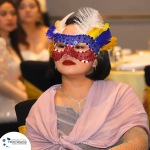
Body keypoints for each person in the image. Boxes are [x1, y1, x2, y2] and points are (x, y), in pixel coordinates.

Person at [26, 8, 149, 149]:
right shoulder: (41, 109)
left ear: (95, 60)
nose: (68, 53)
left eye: (79, 46)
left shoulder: (119, 95)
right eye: (61, 45)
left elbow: (139, 142)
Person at [0, 0, 27, 126]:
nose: (10, 18)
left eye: (12, 13)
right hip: (6, 113)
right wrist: (25, 98)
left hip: (14, 110)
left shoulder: (9, 43)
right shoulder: (0, 43)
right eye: (3, 14)